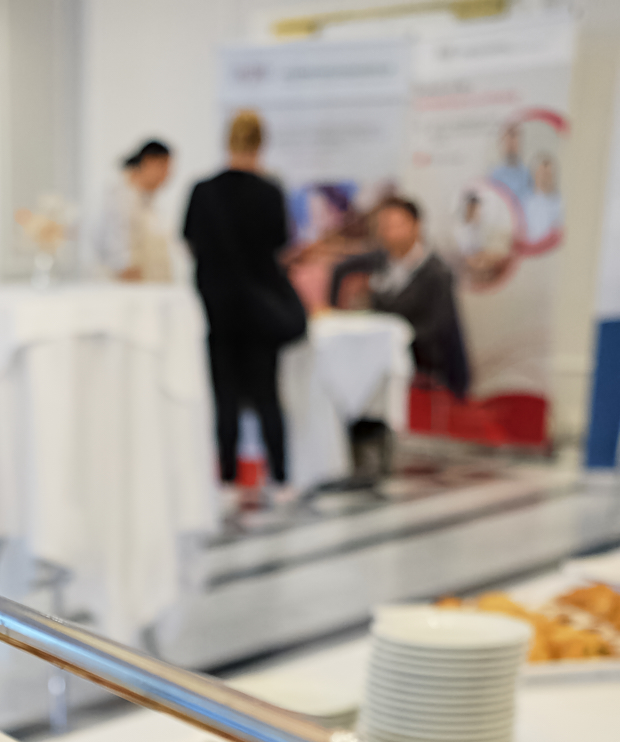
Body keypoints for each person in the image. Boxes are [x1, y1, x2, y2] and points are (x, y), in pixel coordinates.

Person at [183, 109, 304, 507]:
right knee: (268, 394)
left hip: (217, 308)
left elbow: (190, 242)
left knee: (225, 397)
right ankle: (280, 477)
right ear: (261, 143)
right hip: (260, 308)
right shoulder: (269, 192)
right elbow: (279, 245)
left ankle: (227, 479)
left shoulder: (202, 191)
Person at [331, 196, 469, 398]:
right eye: (384, 227)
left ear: (416, 226)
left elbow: (437, 331)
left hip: (424, 374)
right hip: (383, 366)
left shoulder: (436, 274)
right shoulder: (381, 261)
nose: (390, 233)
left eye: (397, 225)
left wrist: (391, 337)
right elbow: (340, 269)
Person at [95, 139, 174, 282]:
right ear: (149, 162)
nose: (167, 175)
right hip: (129, 288)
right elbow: (121, 259)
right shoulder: (121, 198)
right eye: (164, 167)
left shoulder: (144, 200)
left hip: (150, 286)